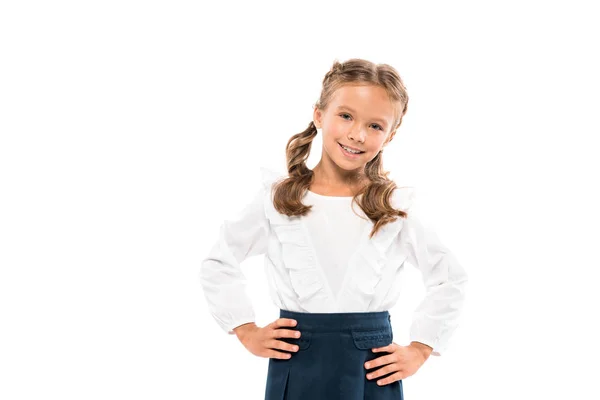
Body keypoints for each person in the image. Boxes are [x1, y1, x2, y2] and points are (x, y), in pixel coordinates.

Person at [199, 58, 468, 399]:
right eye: (345, 116)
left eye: (375, 126)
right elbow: (219, 262)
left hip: (372, 368)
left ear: (391, 135)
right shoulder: (278, 199)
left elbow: (449, 277)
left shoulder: (396, 208)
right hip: (297, 362)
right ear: (319, 115)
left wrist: (421, 348)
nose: (357, 134)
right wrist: (245, 329)